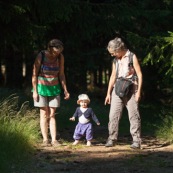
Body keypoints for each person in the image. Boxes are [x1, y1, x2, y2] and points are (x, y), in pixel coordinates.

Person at [104, 37, 142, 149]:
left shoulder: (132, 56)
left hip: (131, 89)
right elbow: (112, 76)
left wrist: (139, 91)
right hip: (117, 89)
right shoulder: (115, 60)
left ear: (119, 49)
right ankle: (112, 138)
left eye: (113, 52)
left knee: (133, 115)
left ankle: (136, 140)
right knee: (113, 115)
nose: (112, 55)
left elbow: (139, 74)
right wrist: (108, 93)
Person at [32, 39, 70, 147]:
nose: (56, 54)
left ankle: (54, 140)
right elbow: (34, 73)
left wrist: (65, 89)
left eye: (59, 52)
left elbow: (61, 74)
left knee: (52, 114)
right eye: (55, 52)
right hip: (41, 88)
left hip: (54, 88)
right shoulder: (41, 55)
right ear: (50, 48)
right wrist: (35, 91)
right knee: (44, 114)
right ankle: (45, 139)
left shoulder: (60, 57)